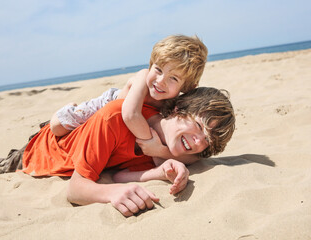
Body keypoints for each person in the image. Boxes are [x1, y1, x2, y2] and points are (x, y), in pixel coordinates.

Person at [0, 87, 235, 217]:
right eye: (199, 126)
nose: (198, 141)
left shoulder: (173, 148)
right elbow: (76, 190)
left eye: (207, 141)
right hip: (45, 153)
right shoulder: (116, 118)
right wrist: (112, 193)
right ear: (178, 110)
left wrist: (160, 170)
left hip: (90, 155)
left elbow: (115, 174)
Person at [50, 34, 208, 163]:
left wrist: (160, 151)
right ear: (151, 65)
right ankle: (71, 107)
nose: (160, 81)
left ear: (187, 88)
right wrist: (151, 144)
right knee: (57, 127)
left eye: (173, 78)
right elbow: (131, 114)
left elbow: (181, 156)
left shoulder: (174, 104)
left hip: (120, 132)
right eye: (158, 69)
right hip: (105, 106)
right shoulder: (143, 77)